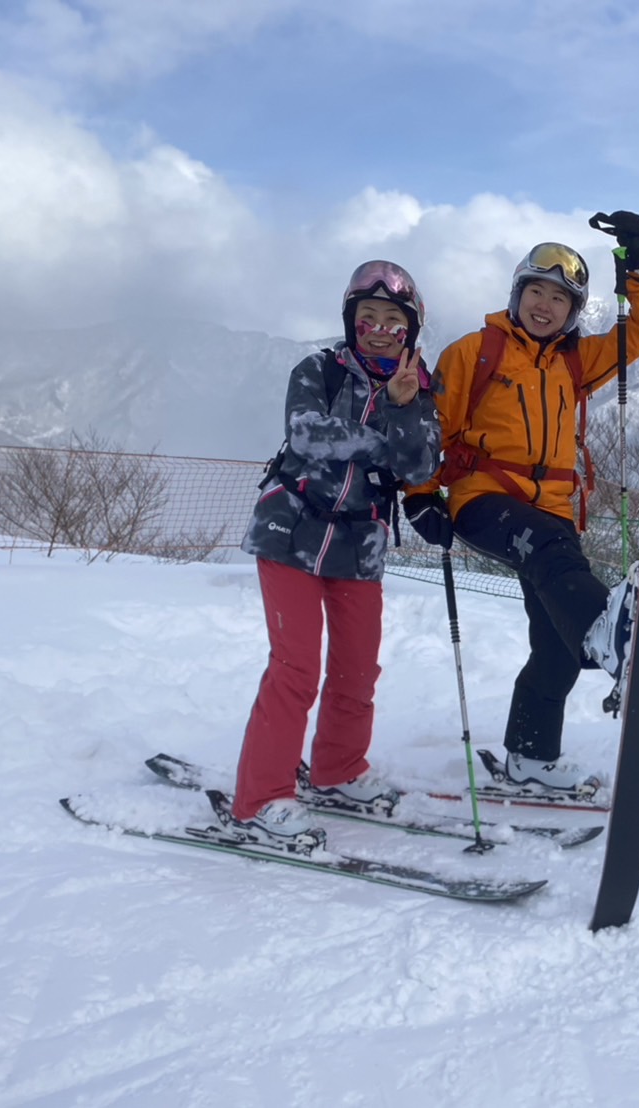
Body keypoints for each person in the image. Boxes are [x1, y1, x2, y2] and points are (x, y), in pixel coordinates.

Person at [403, 213, 639, 793]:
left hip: (551, 512)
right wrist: (420, 496)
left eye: (560, 300)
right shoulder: (475, 351)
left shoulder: (574, 362)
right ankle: (604, 627)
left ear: (574, 312)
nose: (545, 306)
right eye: (536, 292)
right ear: (517, 294)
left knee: (555, 646)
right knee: (556, 562)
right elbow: (431, 429)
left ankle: (530, 757)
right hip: (482, 500)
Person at [231, 261, 442, 839]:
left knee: (356, 670)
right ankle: (259, 798)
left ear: (410, 329)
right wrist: (385, 442)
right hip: (289, 531)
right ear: (351, 322)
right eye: (366, 317)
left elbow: (421, 465)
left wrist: (401, 409)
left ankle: (337, 771)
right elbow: (306, 433)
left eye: (391, 320)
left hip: (361, 541)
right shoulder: (319, 369)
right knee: (295, 668)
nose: (377, 328)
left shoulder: (420, 388)